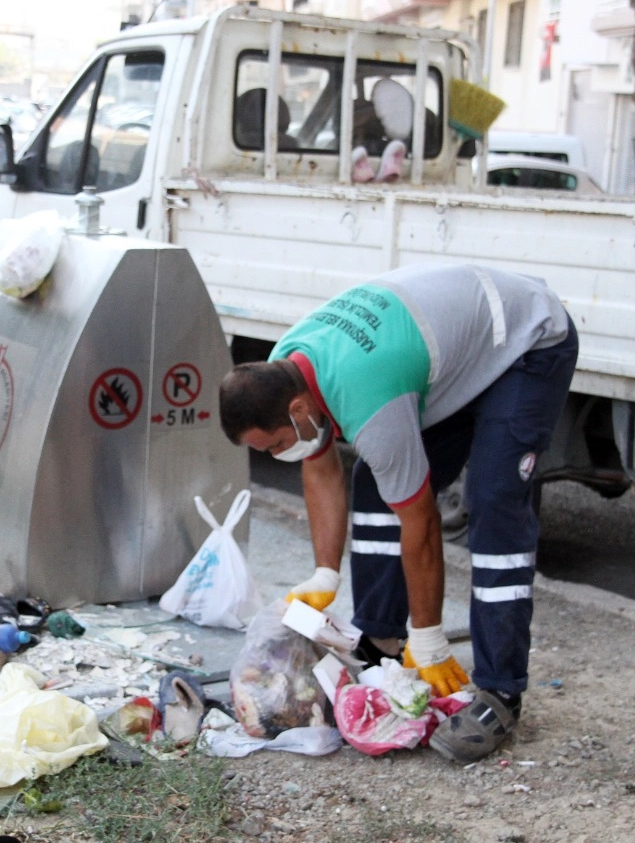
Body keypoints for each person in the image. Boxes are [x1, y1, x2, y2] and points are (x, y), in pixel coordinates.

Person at [218, 261, 578, 762]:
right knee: (373, 484)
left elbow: (422, 522)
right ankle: (383, 642)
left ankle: (500, 691)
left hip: (524, 342)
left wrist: (430, 638)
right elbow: (320, 469)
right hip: (453, 352)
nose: (279, 454)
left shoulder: (366, 396)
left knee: (495, 502)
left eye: (277, 443)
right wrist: (325, 572)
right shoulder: (286, 367)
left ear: (298, 410)